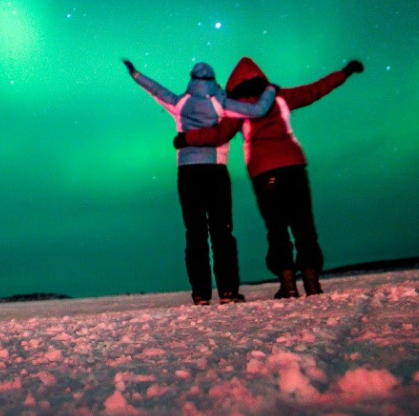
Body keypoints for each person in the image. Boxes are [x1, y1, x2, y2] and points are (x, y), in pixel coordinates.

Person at [174, 56, 364, 298]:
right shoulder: (280, 97)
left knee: (277, 228)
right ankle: (312, 282)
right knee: (304, 224)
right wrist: (344, 72)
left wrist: (187, 139)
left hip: (264, 171)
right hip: (293, 166)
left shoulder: (238, 109)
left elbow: (218, 135)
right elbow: (315, 90)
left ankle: (288, 285)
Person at [125, 58, 277, 305]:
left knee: (194, 232)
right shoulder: (222, 103)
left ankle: (200, 294)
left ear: (192, 79)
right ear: (213, 79)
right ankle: (227, 291)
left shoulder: (180, 103)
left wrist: (135, 74)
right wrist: (270, 90)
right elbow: (258, 110)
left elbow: (156, 89)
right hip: (215, 171)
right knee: (222, 232)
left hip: (187, 173)